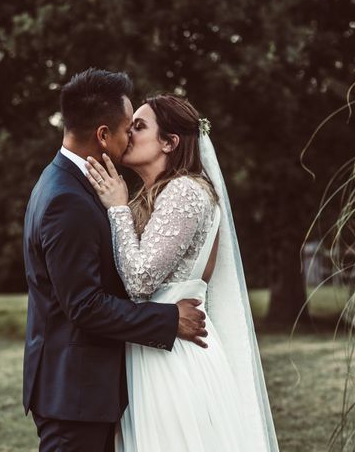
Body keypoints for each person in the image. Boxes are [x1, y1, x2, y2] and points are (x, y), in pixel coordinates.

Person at [22, 69, 209, 452]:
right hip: (75, 395)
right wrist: (170, 319)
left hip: (86, 391)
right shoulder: (66, 200)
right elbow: (85, 306)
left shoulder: (71, 184)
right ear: (103, 135)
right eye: (128, 128)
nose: (130, 139)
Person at [84, 94, 280, 451]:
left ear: (169, 142)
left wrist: (116, 209)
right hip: (153, 348)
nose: (127, 134)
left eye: (139, 127)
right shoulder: (151, 196)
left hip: (176, 358)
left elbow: (140, 280)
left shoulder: (185, 190)